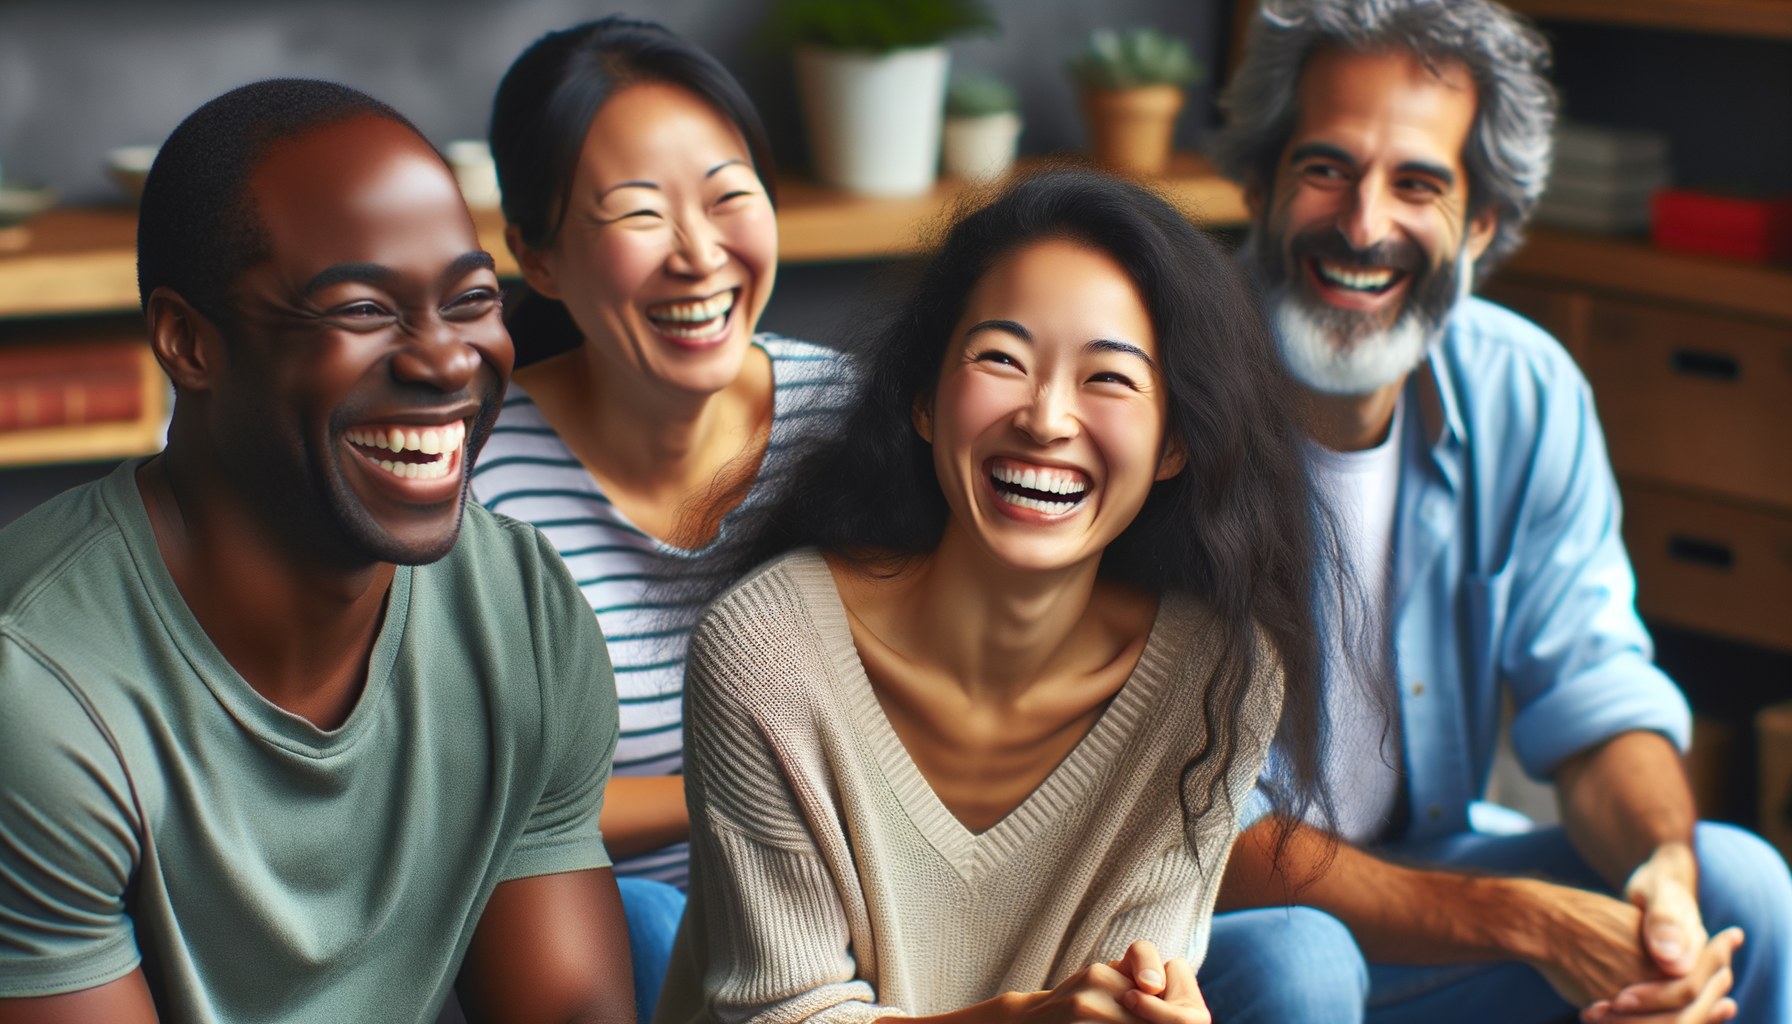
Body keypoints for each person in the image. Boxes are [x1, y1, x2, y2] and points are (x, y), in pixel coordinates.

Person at [1196, 2, 1792, 1022]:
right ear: (1258, 181)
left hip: (1426, 889)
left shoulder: (1526, 388)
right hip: (1217, 928)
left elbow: (1596, 688)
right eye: (1326, 168)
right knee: (1304, 964)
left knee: (1741, 887)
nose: (1364, 223)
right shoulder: (1158, 393)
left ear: (1478, 226)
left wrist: (1663, 880)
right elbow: (1198, 833)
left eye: (1417, 183)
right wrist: (1529, 920)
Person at [0, 81, 632, 1024]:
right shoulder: (38, 687)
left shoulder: (522, 612)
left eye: (469, 300)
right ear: (187, 342)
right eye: (365, 310)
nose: (448, 360)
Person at [653, 169, 1332, 1024]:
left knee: (1306, 960)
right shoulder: (766, 649)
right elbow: (786, 1014)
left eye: (1110, 379)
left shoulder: (1217, 677)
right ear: (926, 401)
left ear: (1175, 444)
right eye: (1001, 360)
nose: (1046, 417)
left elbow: (1132, 985)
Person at [472, 20, 852, 1018]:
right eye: (639, 214)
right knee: (642, 918)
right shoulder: (472, 476)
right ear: (537, 255)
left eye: (730, 197)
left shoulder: (855, 428)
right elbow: (483, 808)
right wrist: (749, 794)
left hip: (853, 916)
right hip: (592, 948)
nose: (699, 253)